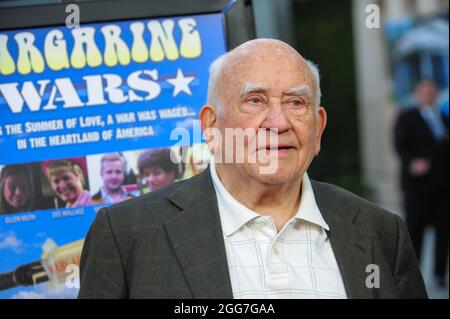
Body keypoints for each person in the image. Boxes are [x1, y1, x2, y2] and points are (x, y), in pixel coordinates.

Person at [79, 39, 427, 299]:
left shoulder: (381, 232)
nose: (278, 123)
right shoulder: (126, 236)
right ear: (211, 126)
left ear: (318, 129)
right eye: (255, 100)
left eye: (296, 102)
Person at [394, 80, 449, 288]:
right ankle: (411, 278)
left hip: (443, 188)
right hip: (418, 188)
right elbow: (400, 144)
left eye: (432, 93)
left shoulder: (443, 118)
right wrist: (412, 163)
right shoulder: (407, 117)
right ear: (417, 95)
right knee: (415, 233)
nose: (429, 96)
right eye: (425, 92)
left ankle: (440, 274)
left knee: (444, 233)